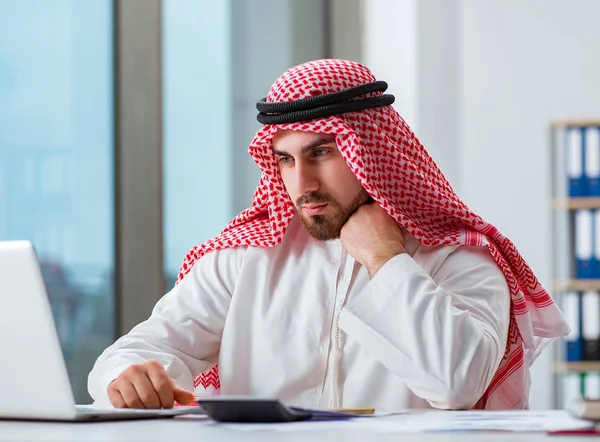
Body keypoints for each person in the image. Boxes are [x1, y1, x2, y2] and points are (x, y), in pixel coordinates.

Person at [88, 59, 568, 411]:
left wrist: (386, 259)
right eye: (286, 160)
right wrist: (126, 376)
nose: (302, 184)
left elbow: (458, 381)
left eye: (321, 153)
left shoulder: (457, 258)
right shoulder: (247, 257)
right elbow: (141, 350)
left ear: (372, 152)